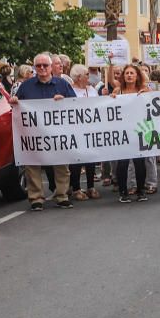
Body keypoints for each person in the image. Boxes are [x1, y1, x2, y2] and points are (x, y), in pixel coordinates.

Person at [9, 53, 77, 210]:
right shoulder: (26, 86)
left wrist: (64, 101)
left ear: (51, 67)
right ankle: (36, 198)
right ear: (34, 68)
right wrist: (15, 102)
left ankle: (62, 196)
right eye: (38, 66)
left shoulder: (62, 84)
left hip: (58, 133)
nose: (41, 68)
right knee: (32, 166)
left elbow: (75, 105)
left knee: (61, 165)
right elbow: (18, 105)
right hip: (34, 134)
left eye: (45, 65)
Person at [110, 65, 150, 203]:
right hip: (123, 131)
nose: (129, 75)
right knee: (123, 163)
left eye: (132, 73)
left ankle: (140, 190)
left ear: (137, 76)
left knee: (139, 162)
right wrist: (111, 98)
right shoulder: (118, 90)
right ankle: (123, 191)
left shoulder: (143, 90)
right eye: (126, 73)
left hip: (139, 130)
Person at [68, 64, 101, 201]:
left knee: (90, 158)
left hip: (90, 129)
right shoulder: (70, 91)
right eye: (87, 74)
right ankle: (75, 188)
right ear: (78, 77)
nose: (89, 76)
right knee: (76, 159)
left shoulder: (92, 90)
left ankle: (90, 187)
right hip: (75, 130)